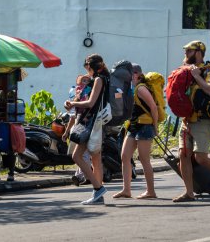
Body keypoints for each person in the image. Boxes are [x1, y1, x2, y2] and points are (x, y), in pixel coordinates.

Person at [172, 40, 210, 202]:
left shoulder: (209, 71)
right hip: (187, 120)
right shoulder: (187, 70)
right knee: (183, 155)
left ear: (199, 53)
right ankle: (189, 193)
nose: (186, 54)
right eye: (186, 51)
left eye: (189, 51)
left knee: (200, 157)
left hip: (202, 120)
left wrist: (196, 77)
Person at [65, 54, 109, 205]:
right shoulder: (103, 78)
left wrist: (73, 104)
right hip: (94, 122)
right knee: (94, 159)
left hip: (91, 122)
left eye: (87, 68)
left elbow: (91, 103)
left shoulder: (99, 79)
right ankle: (98, 193)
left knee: (77, 156)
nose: (86, 71)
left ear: (90, 66)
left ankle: (98, 188)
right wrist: (74, 101)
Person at [113, 63, 158, 199]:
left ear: (136, 74)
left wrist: (155, 127)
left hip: (145, 126)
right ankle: (126, 190)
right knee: (125, 156)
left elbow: (153, 107)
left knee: (144, 159)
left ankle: (151, 191)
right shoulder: (131, 88)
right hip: (133, 126)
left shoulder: (141, 88)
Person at [62, 75, 93, 186]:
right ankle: (82, 175)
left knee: (82, 155)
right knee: (80, 155)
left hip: (85, 127)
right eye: (82, 81)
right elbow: (72, 116)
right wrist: (66, 132)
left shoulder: (90, 97)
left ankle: (84, 176)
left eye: (87, 81)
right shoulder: (77, 98)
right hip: (78, 128)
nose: (85, 83)